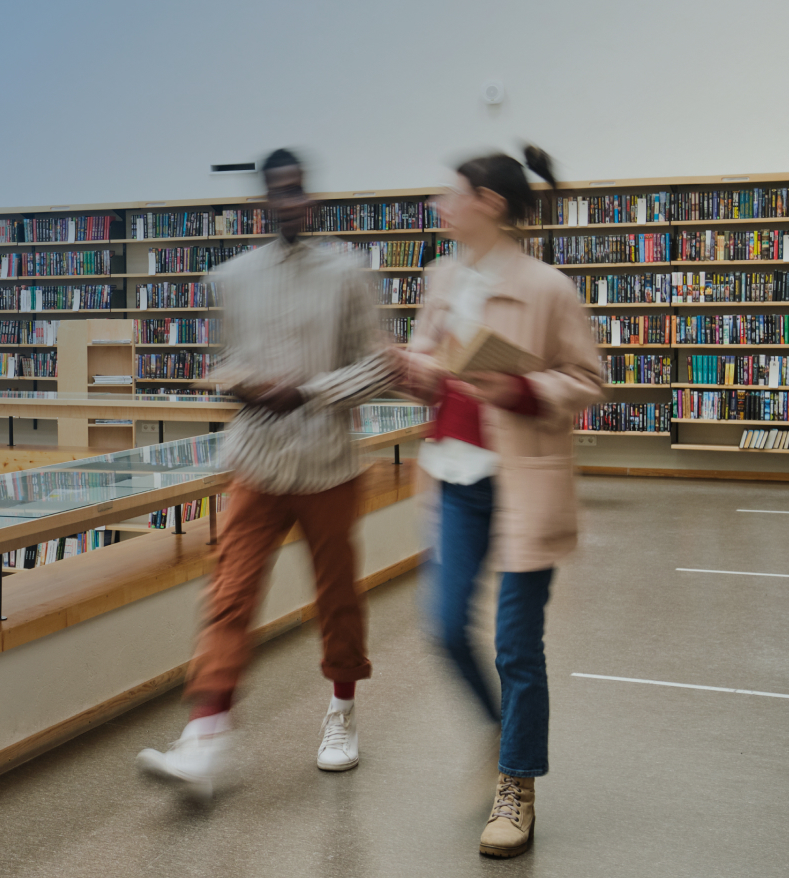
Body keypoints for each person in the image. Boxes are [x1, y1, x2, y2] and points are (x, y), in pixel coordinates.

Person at [137, 149, 397, 798]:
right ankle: (206, 734)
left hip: (328, 464)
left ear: (310, 198)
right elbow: (220, 363)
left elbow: (380, 366)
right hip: (255, 461)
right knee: (230, 594)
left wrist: (309, 391)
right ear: (263, 202)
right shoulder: (233, 277)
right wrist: (244, 384)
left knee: (337, 595)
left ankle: (342, 710)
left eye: (298, 190)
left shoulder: (347, 273)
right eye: (278, 192)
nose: (290, 202)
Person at [398, 146, 602, 858]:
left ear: (487, 202)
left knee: (517, 646)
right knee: (446, 627)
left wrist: (520, 388)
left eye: (452, 194)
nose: (441, 207)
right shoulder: (441, 277)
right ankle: (497, 730)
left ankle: (517, 784)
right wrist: (410, 371)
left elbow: (586, 378)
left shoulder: (548, 288)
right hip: (455, 478)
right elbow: (432, 360)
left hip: (523, 486)